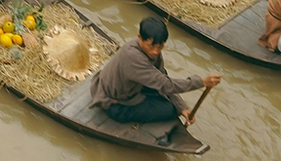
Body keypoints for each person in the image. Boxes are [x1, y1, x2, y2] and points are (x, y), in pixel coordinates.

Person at [90, 15, 218, 129]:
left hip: (131, 87)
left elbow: (163, 78)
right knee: (169, 110)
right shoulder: (133, 57)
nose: (156, 52)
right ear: (139, 37)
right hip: (115, 104)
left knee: (163, 76)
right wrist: (201, 82)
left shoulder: (151, 52)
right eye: (151, 46)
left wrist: (182, 108)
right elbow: (166, 85)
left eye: (160, 47)